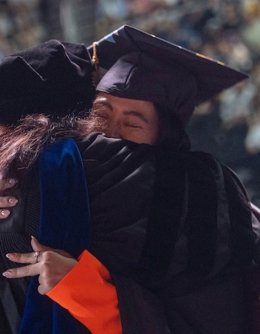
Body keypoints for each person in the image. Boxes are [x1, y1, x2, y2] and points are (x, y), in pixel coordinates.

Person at [1, 25, 260, 334]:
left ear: (165, 141)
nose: (108, 132)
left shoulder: (204, 210)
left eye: (132, 125)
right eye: (100, 114)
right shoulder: (57, 178)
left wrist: (84, 287)